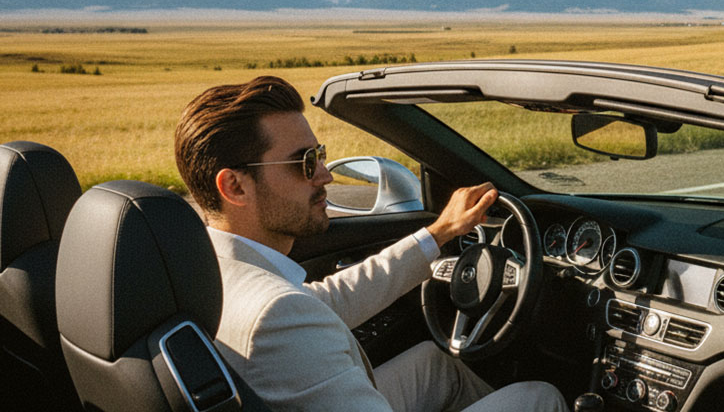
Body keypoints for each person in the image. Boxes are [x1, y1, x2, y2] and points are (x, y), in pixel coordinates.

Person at [174, 75, 567, 412]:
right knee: (539, 396)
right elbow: (296, 313)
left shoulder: (209, 267)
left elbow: (326, 301)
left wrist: (440, 232)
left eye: (321, 155)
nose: (325, 175)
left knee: (436, 363)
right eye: (304, 161)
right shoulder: (278, 316)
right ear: (235, 186)